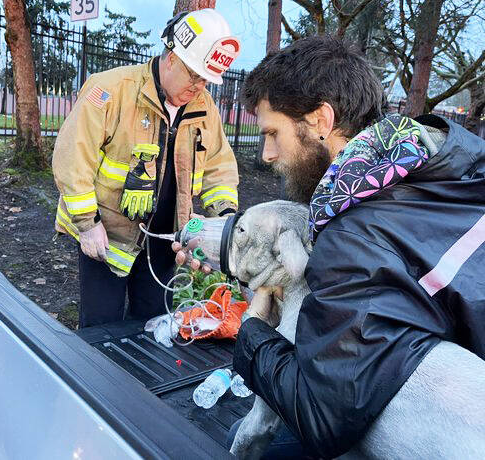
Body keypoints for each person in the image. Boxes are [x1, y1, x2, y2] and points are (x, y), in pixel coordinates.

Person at [176, 35, 485, 458]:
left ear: (321, 120)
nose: (266, 154)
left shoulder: (353, 241)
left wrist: (253, 333)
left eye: (272, 133)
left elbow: (321, 416)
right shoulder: (451, 165)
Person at [52, 9, 240, 328]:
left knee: (153, 325)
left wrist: (223, 220)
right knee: (101, 326)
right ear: (171, 57)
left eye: (206, 79)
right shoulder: (111, 90)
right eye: (194, 75)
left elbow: (219, 168)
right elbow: (72, 158)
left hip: (166, 240)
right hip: (106, 235)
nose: (198, 87)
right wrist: (86, 224)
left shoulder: (204, 107)